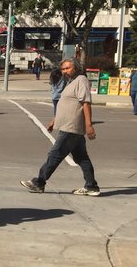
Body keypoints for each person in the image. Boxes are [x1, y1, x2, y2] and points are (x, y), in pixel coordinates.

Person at [20, 58, 99, 196]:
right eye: (63, 69)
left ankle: (39, 183)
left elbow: (86, 103)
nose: (64, 71)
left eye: (68, 68)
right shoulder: (71, 82)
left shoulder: (81, 80)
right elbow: (67, 104)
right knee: (81, 157)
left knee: (55, 154)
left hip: (71, 127)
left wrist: (89, 125)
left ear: (76, 68)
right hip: (69, 126)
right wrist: (54, 120)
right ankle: (91, 186)